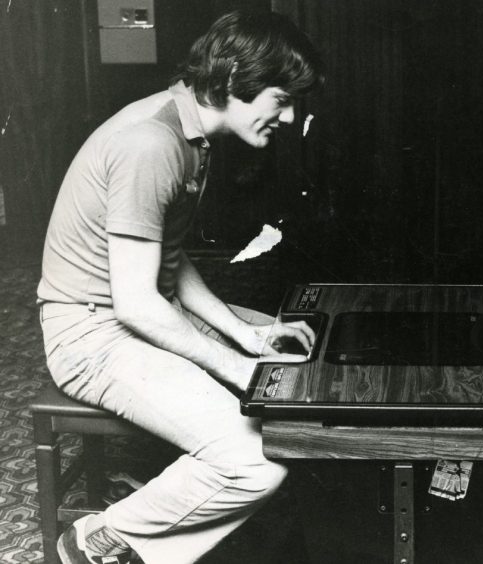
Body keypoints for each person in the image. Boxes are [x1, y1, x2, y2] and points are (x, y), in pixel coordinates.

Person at [37, 11, 323, 564]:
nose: (289, 116)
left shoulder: (188, 130)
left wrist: (247, 336)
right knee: (256, 459)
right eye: (281, 97)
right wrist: (236, 367)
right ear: (236, 76)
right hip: (89, 334)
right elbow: (138, 304)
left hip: (132, 310)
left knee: (297, 355)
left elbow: (167, 256)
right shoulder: (151, 142)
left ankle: (160, 513)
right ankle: (98, 539)